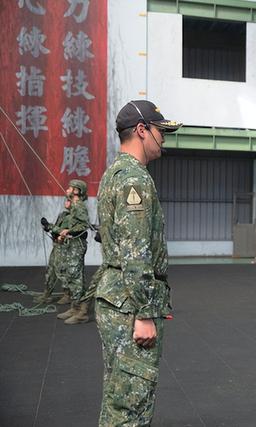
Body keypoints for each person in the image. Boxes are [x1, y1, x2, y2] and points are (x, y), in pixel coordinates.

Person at [95, 100, 181, 426]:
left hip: (116, 298)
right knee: (131, 403)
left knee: (119, 396)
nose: (164, 139)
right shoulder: (135, 180)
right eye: (161, 131)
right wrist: (144, 312)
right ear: (142, 130)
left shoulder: (113, 174)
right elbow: (135, 252)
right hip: (131, 306)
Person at [56, 179, 91, 325]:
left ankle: (80, 312)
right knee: (72, 276)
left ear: (77, 191)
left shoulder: (78, 205)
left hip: (77, 245)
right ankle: (74, 308)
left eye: (71, 188)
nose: (68, 189)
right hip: (72, 244)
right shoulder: (75, 206)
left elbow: (84, 224)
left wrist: (69, 230)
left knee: (76, 278)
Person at [36, 196, 73, 304]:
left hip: (65, 247)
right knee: (51, 270)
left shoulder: (73, 217)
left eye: (69, 201)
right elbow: (57, 228)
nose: (66, 202)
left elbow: (65, 231)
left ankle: (68, 294)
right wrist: (48, 227)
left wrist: (50, 226)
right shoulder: (63, 215)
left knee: (62, 271)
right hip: (57, 245)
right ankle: (47, 293)